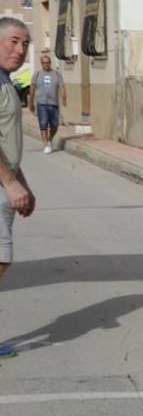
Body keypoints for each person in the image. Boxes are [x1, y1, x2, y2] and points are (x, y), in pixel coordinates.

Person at [0, 18, 35, 359]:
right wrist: (9, 182)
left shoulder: (6, 82)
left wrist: (21, 181)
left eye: (25, 43)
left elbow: (6, 141)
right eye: (13, 41)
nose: (20, 50)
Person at [29, 53, 66, 155]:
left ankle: (49, 139)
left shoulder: (57, 74)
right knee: (43, 124)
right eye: (44, 63)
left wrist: (64, 98)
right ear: (41, 64)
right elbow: (32, 88)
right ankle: (46, 145)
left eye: (48, 62)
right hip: (42, 104)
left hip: (53, 104)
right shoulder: (37, 74)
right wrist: (31, 102)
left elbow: (62, 86)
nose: (46, 64)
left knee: (55, 125)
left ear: (50, 63)